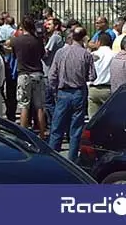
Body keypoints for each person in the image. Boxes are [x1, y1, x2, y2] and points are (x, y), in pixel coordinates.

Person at [48, 27, 96, 161]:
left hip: (63, 92)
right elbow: (92, 76)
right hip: (78, 92)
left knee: (57, 127)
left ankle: (53, 158)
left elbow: (52, 75)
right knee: (76, 129)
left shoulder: (60, 53)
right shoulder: (86, 54)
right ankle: (72, 159)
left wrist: (54, 90)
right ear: (83, 38)